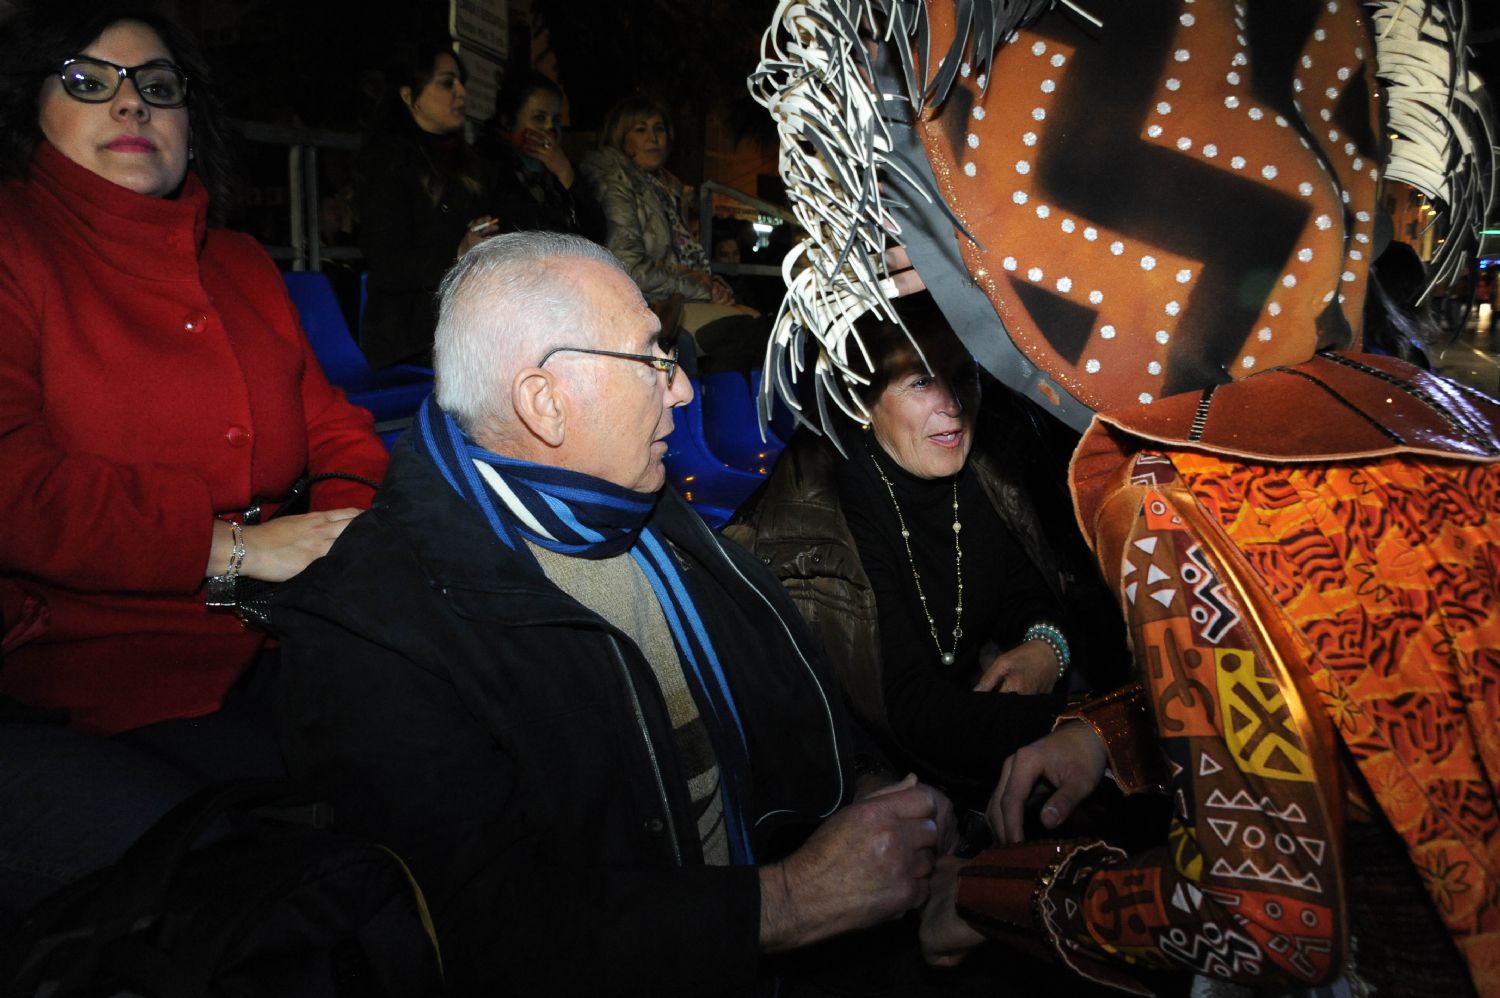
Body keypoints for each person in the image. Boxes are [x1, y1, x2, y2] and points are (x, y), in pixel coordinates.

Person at [750, 0, 1500, 993]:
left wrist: (998, 894)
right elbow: (1314, 695)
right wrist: (1102, 737)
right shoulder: (1425, 398)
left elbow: (1271, 917)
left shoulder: (1174, 490)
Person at [272, 231, 953, 996]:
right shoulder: (369, 632)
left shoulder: (640, 503)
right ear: (545, 402)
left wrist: (869, 800)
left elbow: (787, 690)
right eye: (655, 358)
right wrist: (791, 901)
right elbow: (481, 935)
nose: (684, 391)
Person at [0, 4, 387, 924]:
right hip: (73, 689)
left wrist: (344, 532)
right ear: (30, 111)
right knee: (252, 902)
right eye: (89, 80)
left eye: (158, 87)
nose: (132, 105)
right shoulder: (13, 247)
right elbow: (13, 487)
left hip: (279, 646)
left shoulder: (244, 263)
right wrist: (236, 548)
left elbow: (340, 436)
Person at [726, 298, 1075, 814]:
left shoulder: (985, 464)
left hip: (971, 744)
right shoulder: (825, 514)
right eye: (919, 382)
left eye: (964, 375)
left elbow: (1033, 593)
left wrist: (1048, 646)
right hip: (865, 782)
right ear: (861, 400)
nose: (953, 403)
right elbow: (911, 714)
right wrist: (1089, 726)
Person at [355, 41, 494, 369]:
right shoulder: (386, 161)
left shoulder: (468, 163)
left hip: (464, 325)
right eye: (447, 83)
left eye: (462, 83)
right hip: (409, 336)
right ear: (407, 95)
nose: (461, 93)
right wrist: (459, 253)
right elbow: (387, 264)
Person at [477, 70, 603, 241]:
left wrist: (567, 175)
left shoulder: (562, 171)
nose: (550, 128)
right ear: (508, 121)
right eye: (539, 118)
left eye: (556, 120)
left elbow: (596, 233)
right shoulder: (486, 167)